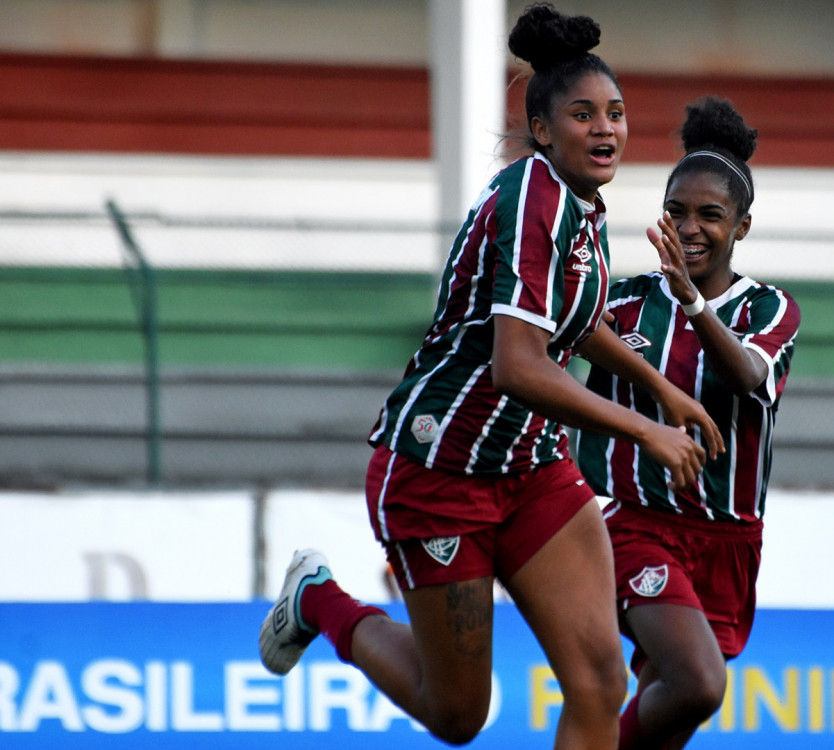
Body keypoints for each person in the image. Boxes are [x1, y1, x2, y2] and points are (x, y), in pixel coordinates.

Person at [257, 5, 724, 749]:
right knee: (457, 716)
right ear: (542, 130)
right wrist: (646, 428)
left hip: (531, 467)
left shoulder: (581, 203)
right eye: (582, 114)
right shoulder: (530, 198)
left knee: (602, 683)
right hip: (440, 468)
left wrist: (660, 387)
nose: (605, 129)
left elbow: (571, 322)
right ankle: (320, 600)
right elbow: (517, 365)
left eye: (616, 112)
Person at [577, 97, 801, 750]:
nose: (691, 228)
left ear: (743, 227)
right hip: (634, 525)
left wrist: (695, 304)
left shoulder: (770, 308)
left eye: (710, 215)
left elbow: (747, 377)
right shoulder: (623, 302)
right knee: (700, 683)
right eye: (677, 211)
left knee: (669, 708)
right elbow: (541, 356)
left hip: (729, 541)